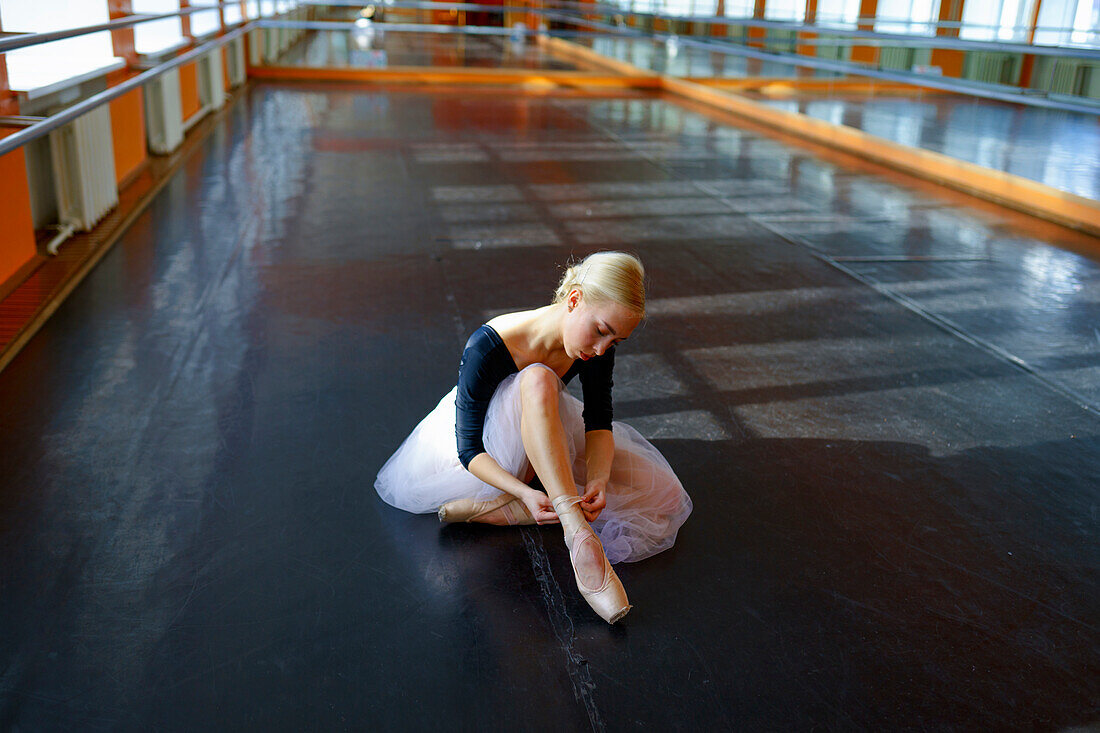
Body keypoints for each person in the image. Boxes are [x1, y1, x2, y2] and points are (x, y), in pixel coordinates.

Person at [374, 251, 692, 623]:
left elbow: (599, 421)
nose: (603, 348)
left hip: (541, 435)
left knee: (667, 494)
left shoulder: (593, 350)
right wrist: (526, 489)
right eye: (602, 331)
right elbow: (468, 449)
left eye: (616, 341)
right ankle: (578, 537)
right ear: (574, 300)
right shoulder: (487, 345)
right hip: (485, 459)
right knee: (539, 377)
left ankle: (514, 510)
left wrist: (598, 479)